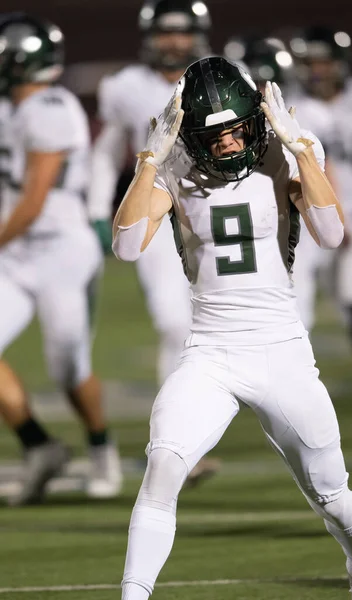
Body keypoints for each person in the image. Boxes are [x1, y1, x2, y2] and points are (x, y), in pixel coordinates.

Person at [113, 56, 352, 600]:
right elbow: (126, 247)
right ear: (191, 132)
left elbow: (332, 233)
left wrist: (304, 153)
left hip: (281, 348)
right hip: (210, 354)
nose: (228, 141)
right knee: (163, 468)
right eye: (213, 133)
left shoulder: (287, 151)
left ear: (257, 117)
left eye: (238, 126)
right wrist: (149, 160)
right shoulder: (174, 165)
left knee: (332, 496)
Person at [88, 0, 219, 485]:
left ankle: (198, 431)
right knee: (172, 323)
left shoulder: (220, 75)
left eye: (182, 33)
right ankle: (181, 444)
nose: (173, 43)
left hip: (216, 213)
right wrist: (97, 209)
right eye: (165, 33)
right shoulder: (124, 86)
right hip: (158, 211)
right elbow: (107, 151)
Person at [0, 12, 122, 505]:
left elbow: (33, 199)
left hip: (60, 251)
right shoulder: (10, 108)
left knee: (69, 368)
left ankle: (101, 450)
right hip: (16, 250)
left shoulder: (51, 105)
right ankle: (39, 446)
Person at [289, 27, 352, 402]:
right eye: (311, 63)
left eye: (325, 62)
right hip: (322, 216)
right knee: (337, 301)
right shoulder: (294, 107)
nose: (318, 71)